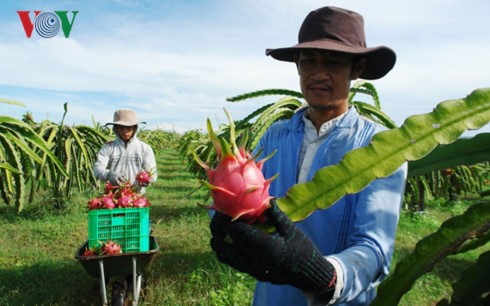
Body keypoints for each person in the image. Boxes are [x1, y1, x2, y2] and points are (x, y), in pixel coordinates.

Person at [209, 6, 407, 305]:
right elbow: (245, 200)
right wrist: (225, 220)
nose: (319, 74)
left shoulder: (381, 147)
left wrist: (324, 276)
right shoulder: (275, 135)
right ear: (297, 66)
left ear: (357, 70)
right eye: (309, 61)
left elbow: (375, 251)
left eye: (334, 62)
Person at [93, 108, 157, 193]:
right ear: (115, 128)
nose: (125, 130)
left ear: (135, 127)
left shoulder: (145, 148)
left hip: (136, 196)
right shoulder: (108, 147)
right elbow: (97, 169)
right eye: (121, 127)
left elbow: (152, 172)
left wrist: (148, 180)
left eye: (128, 127)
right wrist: (109, 174)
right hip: (112, 195)